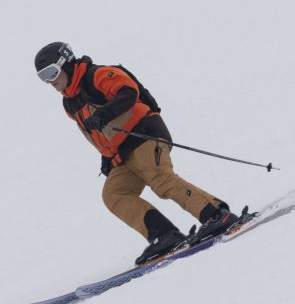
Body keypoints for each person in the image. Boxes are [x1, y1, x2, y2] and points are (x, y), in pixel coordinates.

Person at [34, 42, 243, 264]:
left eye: (52, 73)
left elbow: (128, 92)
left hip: (144, 134)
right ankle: (164, 235)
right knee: (114, 194)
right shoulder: (70, 103)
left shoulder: (97, 75)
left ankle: (216, 215)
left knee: (160, 179)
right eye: (43, 77)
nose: (50, 81)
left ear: (65, 63)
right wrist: (107, 158)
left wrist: (105, 114)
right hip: (122, 155)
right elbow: (97, 134)